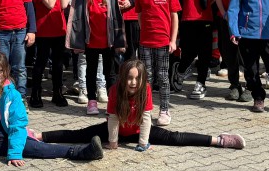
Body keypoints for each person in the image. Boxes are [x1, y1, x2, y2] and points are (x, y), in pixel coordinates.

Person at [36, 60, 245, 151]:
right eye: (129, 78)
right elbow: (113, 118)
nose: (133, 82)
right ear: (123, 78)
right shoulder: (115, 90)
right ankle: (38, 136)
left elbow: (146, 119)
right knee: (79, 135)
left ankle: (220, 140)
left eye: (137, 78)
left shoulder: (145, 89)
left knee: (175, 138)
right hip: (117, 129)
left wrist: (143, 142)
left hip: (139, 130)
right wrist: (113, 142)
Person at [66, 0, 125, 115]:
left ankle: (112, 102)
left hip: (108, 42)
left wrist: (119, 41)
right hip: (91, 42)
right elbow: (77, 19)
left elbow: (117, 19)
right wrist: (77, 42)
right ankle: (92, 101)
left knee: (110, 73)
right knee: (91, 72)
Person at [130, 0, 180, 126]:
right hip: (145, 43)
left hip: (163, 43)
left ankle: (164, 109)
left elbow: (174, 17)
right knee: (146, 78)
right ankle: (146, 110)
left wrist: (173, 40)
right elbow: (140, 16)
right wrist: (144, 34)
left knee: (163, 77)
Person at [171, 0, 214, 99]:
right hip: (186, 18)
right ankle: (180, 70)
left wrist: (207, 4)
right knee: (188, 52)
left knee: (204, 53)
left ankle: (201, 83)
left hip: (206, 18)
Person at [30, 0, 69, 107]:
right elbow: (50, 4)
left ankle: (57, 93)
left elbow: (64, 4)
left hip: (59, 29)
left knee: (58, 64)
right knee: (41, 62)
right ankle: (36, 94)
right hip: (44, 30)